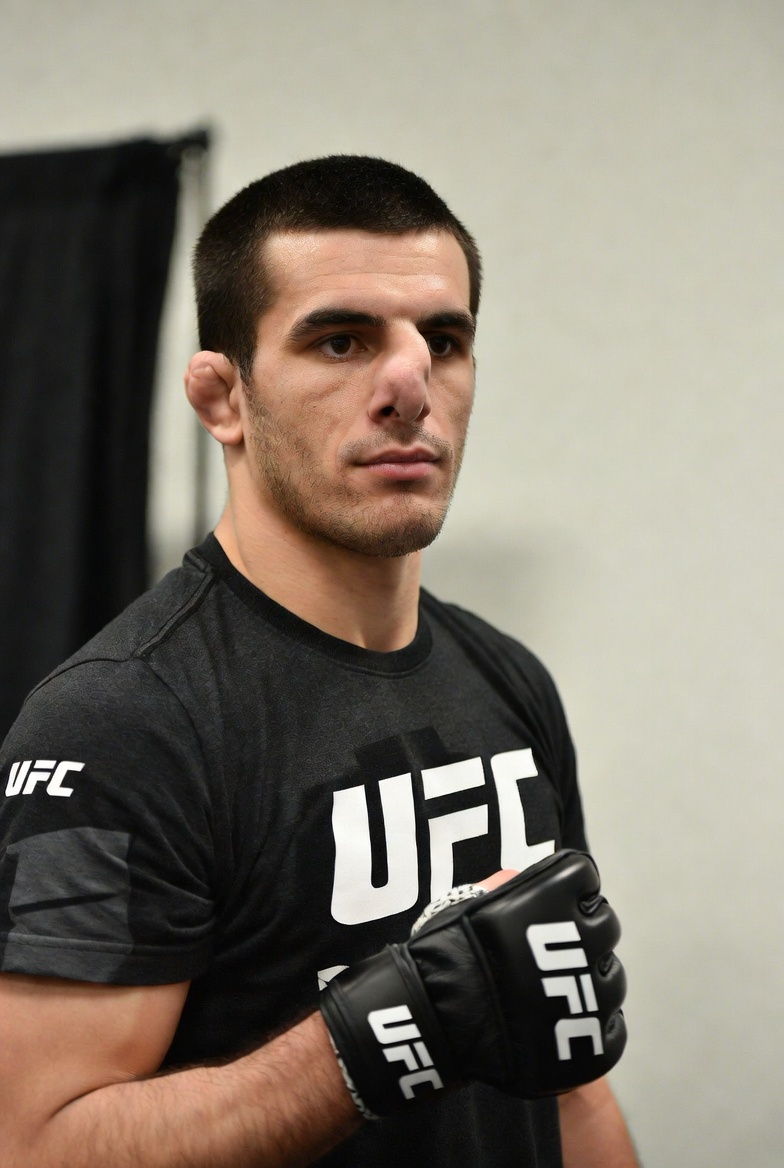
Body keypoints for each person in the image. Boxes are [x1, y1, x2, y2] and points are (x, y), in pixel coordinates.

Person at [0, 155, 638, 1167]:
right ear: (222, 397)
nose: (409, 388)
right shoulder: (120, 723)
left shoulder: (508, 679)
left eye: (443, 341)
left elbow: (568, 1087)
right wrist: (379, 1041)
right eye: (340, 340)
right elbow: (36, 1144)